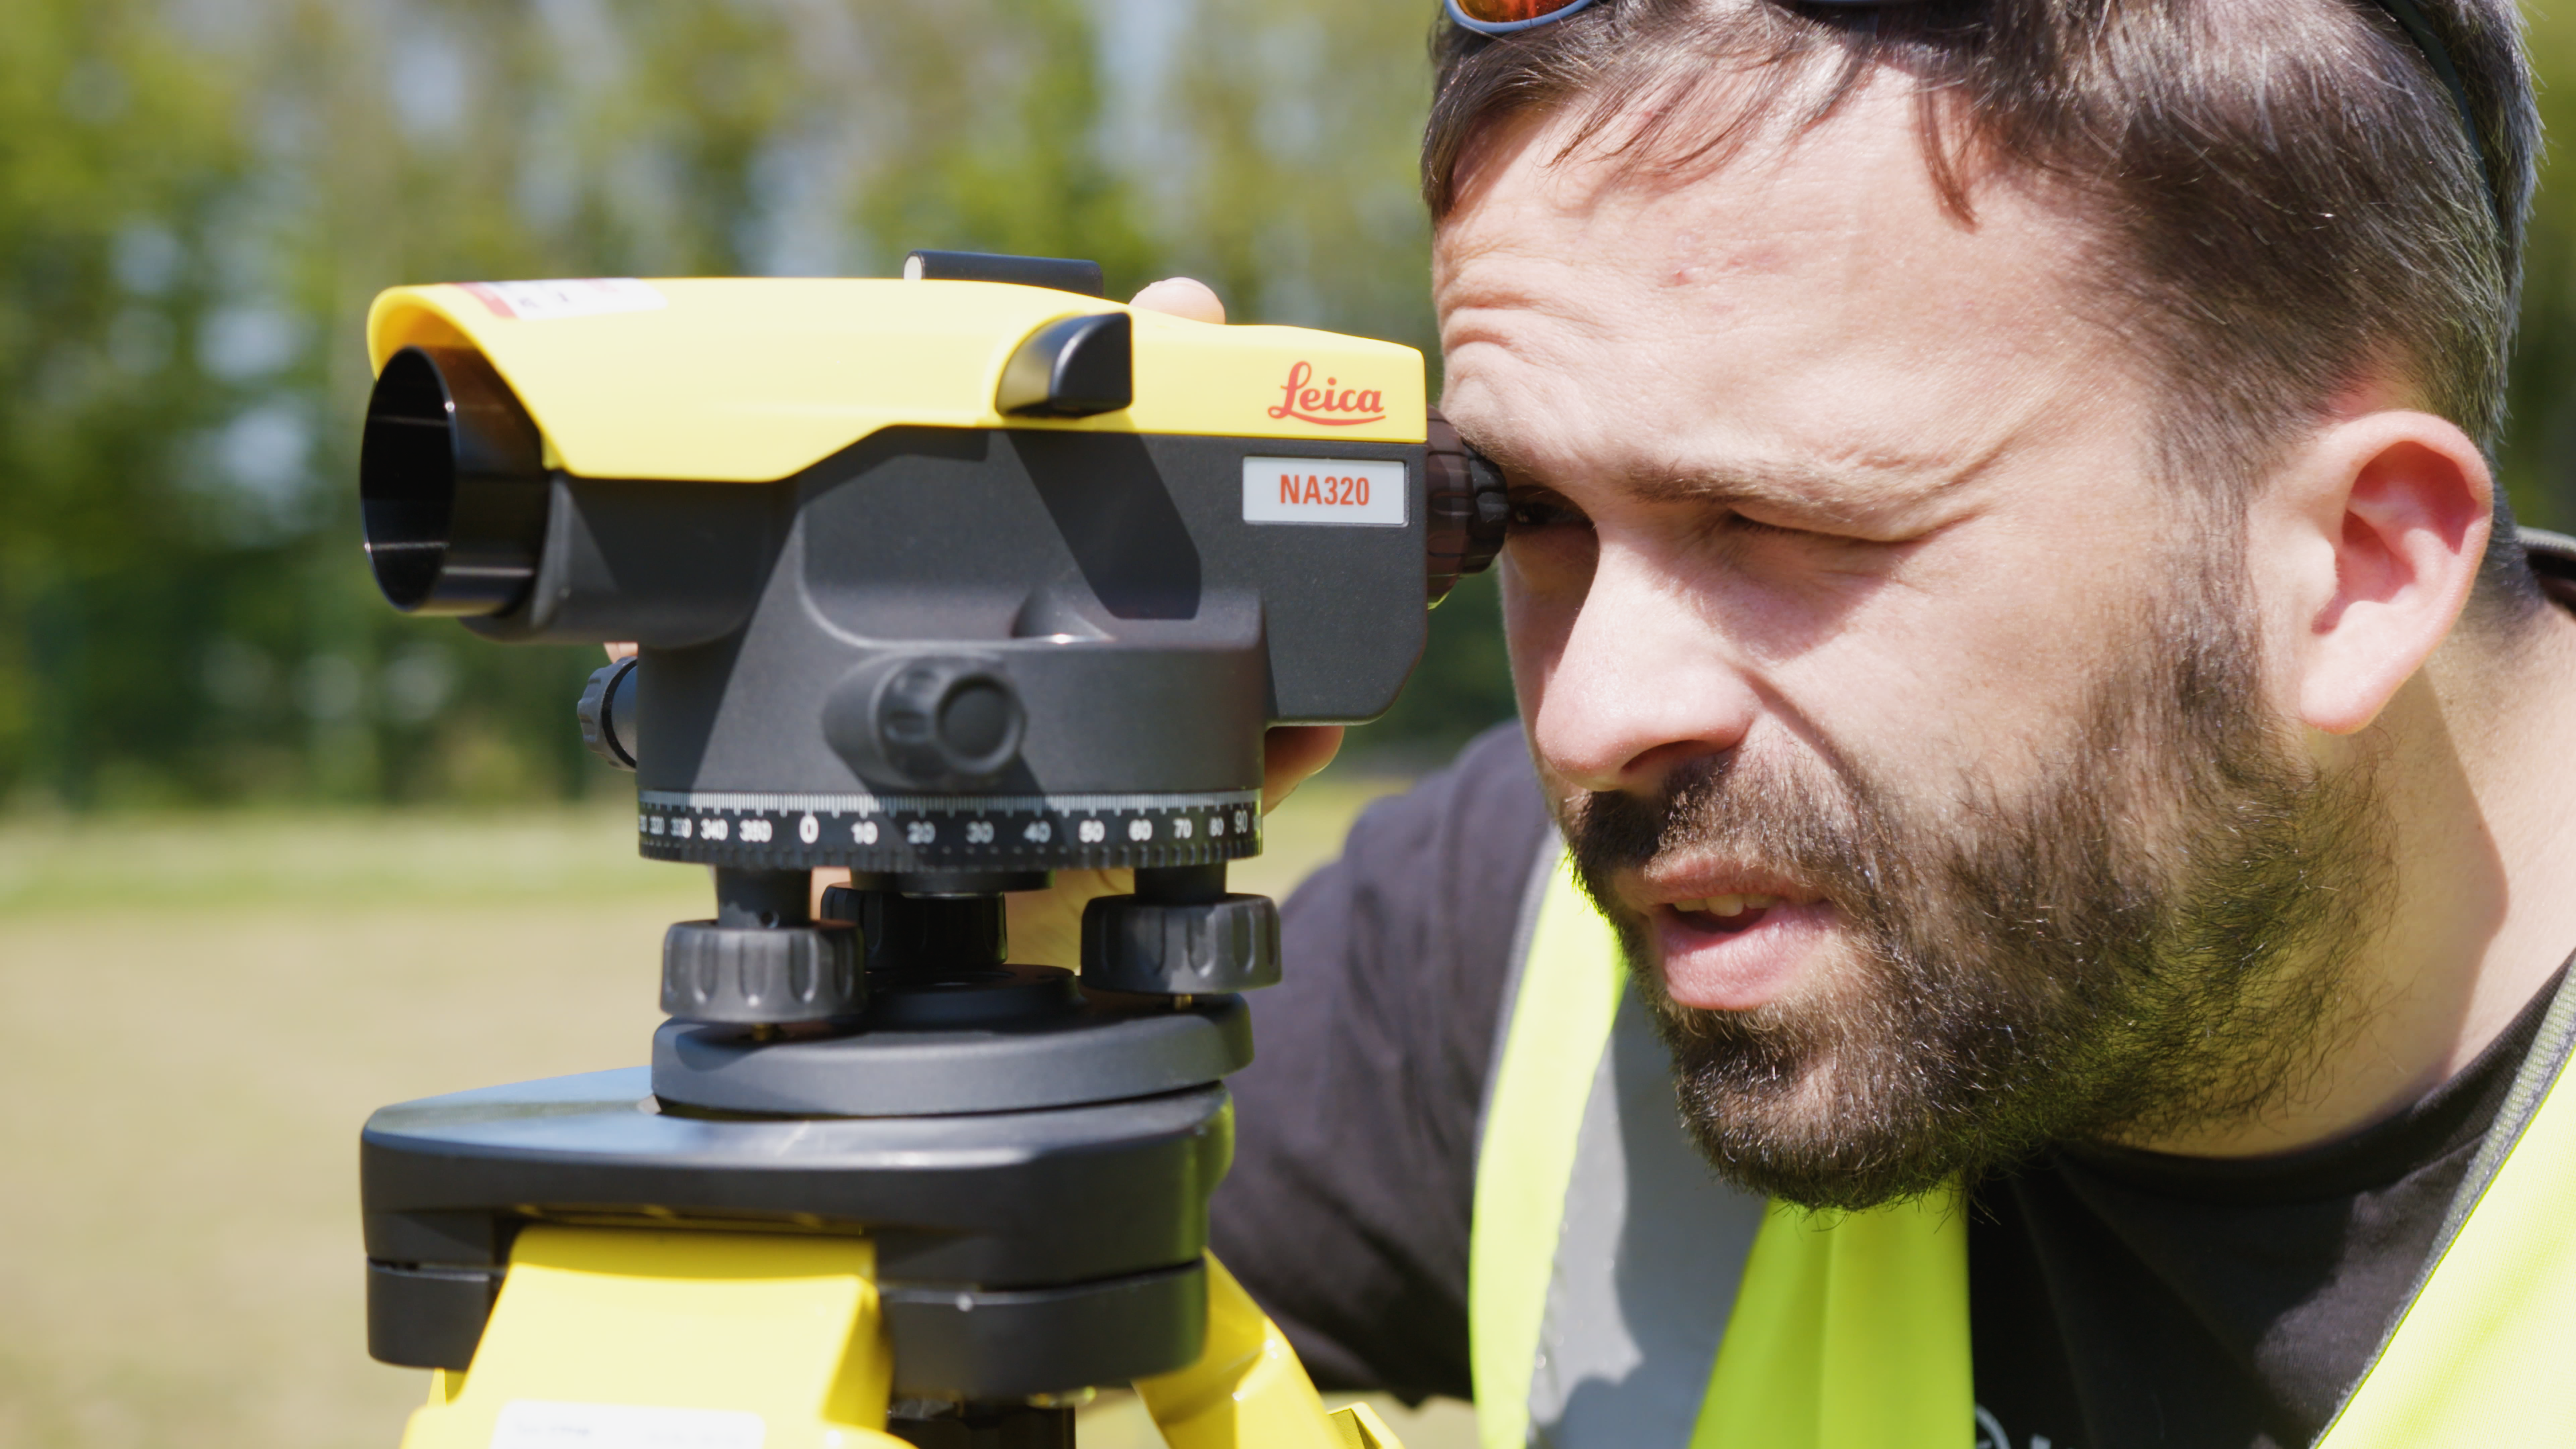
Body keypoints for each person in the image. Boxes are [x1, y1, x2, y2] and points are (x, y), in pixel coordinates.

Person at [1008, 1, 2576, 1445]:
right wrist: (995, 925)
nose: (1591, 718)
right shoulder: (1525, 944)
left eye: (1781, 523)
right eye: (1531, 514)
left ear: (2354, 571)